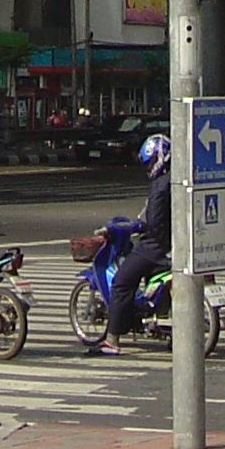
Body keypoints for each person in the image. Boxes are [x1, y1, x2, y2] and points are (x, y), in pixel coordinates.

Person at [98, 135, 174, 354]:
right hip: (173, 244)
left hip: (155, 246)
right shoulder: (176, 179)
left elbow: (154, 221)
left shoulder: (160, 186)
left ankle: (112, 340)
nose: (149, 168)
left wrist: (136, 228)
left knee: (122, 282)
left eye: (150, 162)